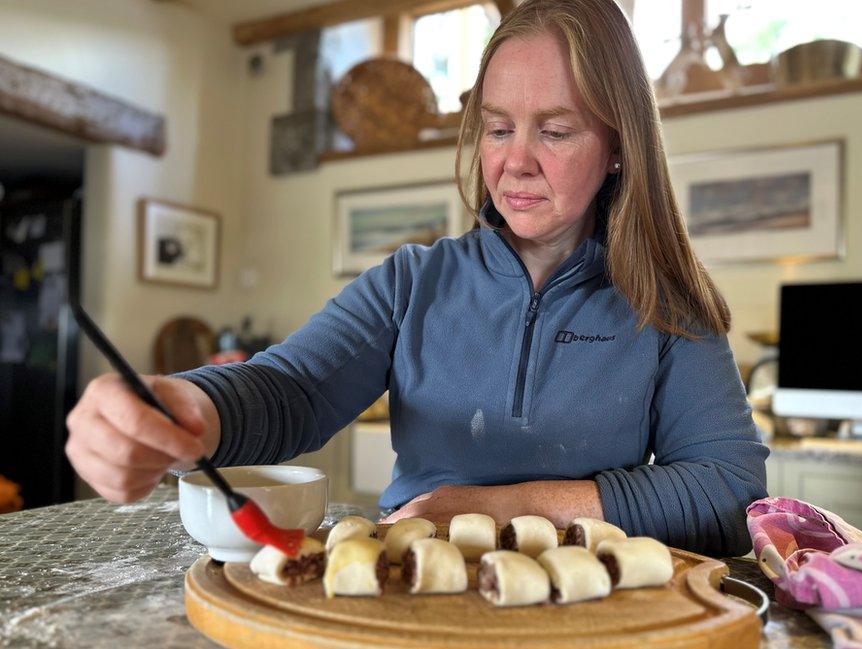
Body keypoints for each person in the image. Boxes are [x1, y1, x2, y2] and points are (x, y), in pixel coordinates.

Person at [65, 0, 767, 557]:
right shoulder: (412, 282)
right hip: (412, 592)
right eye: (497, 128)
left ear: (618, 146)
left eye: (555, 131)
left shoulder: (667, 306)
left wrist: (494, 505)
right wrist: (185, 405)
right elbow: (292, 390)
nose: (515, 162)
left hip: (586, 611)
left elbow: (730, 490)